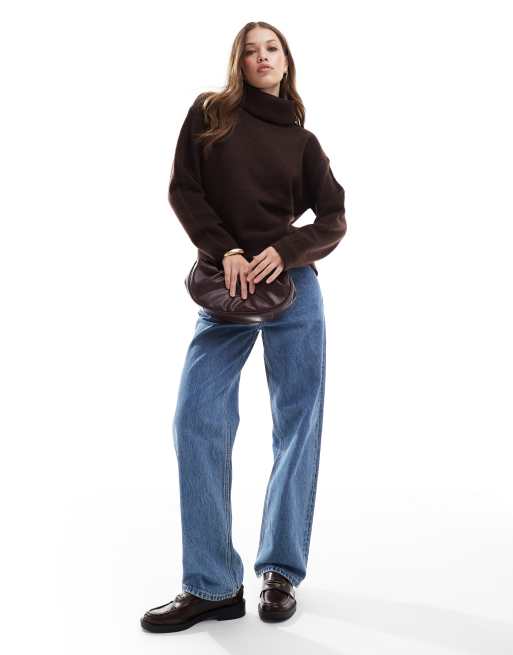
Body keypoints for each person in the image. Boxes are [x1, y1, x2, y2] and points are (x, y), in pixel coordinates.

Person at [141, 20, 347, 633]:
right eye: (251, 50)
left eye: (272, 48)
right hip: (225, 287)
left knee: (297, 426)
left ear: (286, 61)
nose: (262, 57)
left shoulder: (302, 141)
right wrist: (224, 248)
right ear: (239, 61)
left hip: (292, 287)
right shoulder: (212, 114)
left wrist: (286, 250)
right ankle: (211, 584)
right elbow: (185, 190)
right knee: (196, 418)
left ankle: (280, 571)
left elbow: (334, 217)